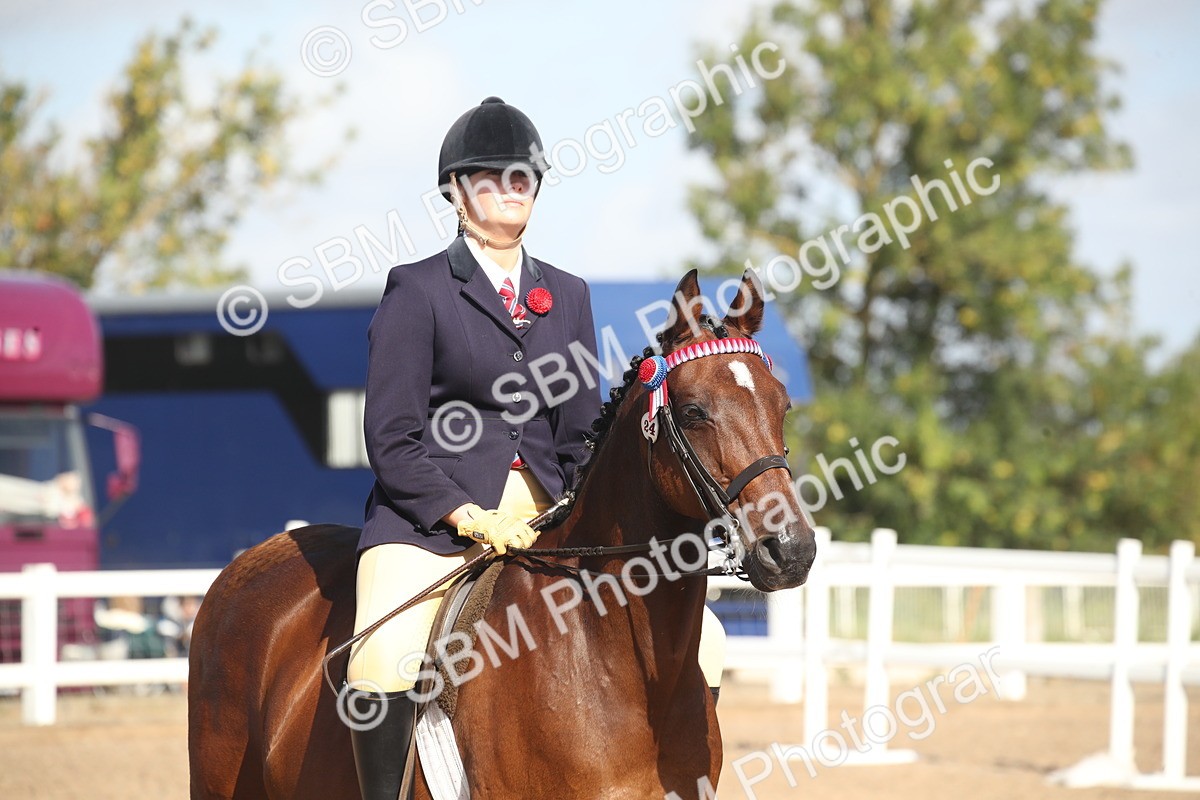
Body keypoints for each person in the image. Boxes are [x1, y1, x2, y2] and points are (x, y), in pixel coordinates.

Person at [346, 97, 601, 800]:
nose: (510, 190)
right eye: (490, 178)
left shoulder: (570, 296)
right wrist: (466, 514)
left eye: (522, 178)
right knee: (383, 658)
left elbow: (581, 432)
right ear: (456, 193)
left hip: (550, 517)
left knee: (700, 638)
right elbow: (392, 439)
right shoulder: (419, 290)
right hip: (430, 521)